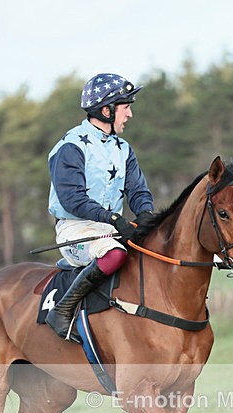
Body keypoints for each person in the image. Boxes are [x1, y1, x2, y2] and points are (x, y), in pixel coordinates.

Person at [45, 73, 154, 341]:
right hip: (75, 229)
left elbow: (138, 190)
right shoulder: (70, 146)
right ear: (107, 111)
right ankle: (62, 311)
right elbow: (73, 200)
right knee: (115, 255)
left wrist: (146, 214)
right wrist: (113, 218)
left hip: (109, 228)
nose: (129, 114)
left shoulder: (124, 149)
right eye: (125, 107)